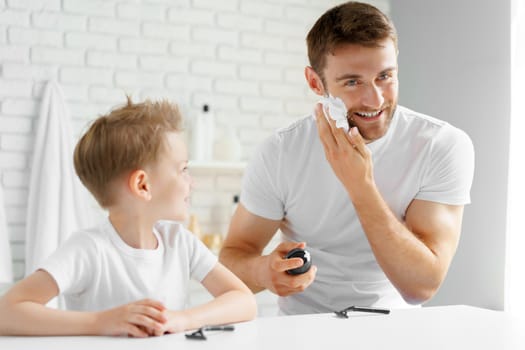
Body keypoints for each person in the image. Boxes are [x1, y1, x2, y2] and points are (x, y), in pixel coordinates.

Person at [219, 1, 475, 315]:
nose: (375, 100)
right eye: (352, 82)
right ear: (316, 83)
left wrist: (360, 185)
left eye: (385, 76)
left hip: (397, 329)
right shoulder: (281, 151)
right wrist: (263, 272)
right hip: (302, 330)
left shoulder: (441, 145)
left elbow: (421, 286)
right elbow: (232, 258)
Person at [0, 97, 256, 337]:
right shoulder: (89, 249)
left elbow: (244, 301)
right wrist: (100, 322)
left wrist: (183, 319)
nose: (192, 183)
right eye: (183, 170)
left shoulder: (179, 242)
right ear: (143, 185)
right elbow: (6, 312)